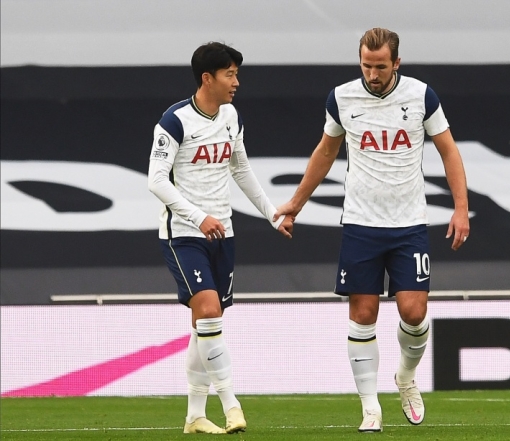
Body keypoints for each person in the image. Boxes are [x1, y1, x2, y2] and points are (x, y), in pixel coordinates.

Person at [273, 28, 470, 432]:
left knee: (414, 312)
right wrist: (296, 203)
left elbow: (449, 150)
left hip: (409, 223)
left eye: (380, 66)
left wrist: (461, 208)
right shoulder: (342, 97)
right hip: (361, 224)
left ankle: (405, 377)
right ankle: (370, 408)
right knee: (363, 314)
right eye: (366, 65)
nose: (373, 74)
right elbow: (325, 151)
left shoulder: (422, 96)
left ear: (397, 62)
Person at [148, 42, 294, 434]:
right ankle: (232, 406)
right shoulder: (175, 121)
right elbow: (156, 180)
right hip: (184, 234)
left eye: (236, 74)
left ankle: (195, 416)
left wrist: (272, 214)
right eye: (230, 74)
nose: (236, 82)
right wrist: (198, 217)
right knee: (210, 311)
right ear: (207, 78)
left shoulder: (231, 116)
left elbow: (240, 169)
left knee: (205, 324)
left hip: (223, 233)